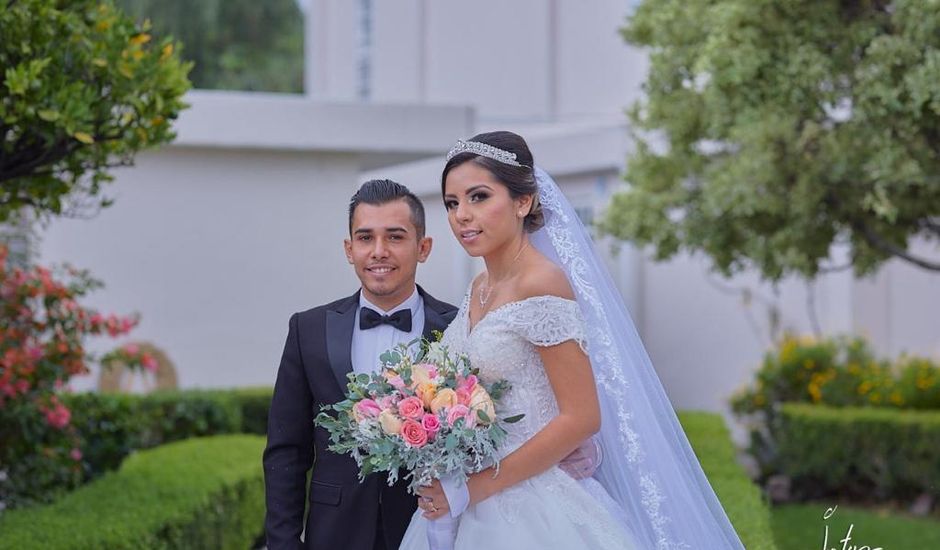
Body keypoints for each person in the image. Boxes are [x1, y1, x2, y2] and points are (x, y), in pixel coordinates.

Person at [399, 131, 746, 549]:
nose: (462, 216)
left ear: (522, 201)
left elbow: (581, 417)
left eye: (479, 197)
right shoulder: (479, 287)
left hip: (530, 504)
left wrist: (473, 488)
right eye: (452, 204)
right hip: (467, 496)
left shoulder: (542, 282)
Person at [263, 179, 459, 550]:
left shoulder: (457, 328)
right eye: (366, 238)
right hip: (333, 531)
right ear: (349, 249)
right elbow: (286, 450)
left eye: (396, 237)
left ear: (423, 247)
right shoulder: (308, 329)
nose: (379, 251)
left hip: (430, 528)